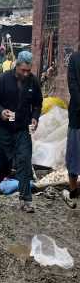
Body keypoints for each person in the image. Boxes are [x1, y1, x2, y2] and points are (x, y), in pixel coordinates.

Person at [0, 51, 43, 212]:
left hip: (22, 129)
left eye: (28, 70)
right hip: (4, 129)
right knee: (0, 163)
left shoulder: (33, 82)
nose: (25, 74)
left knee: (24, 161)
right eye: (23, 70)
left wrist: (35, 117)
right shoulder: (4, 79)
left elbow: (38, 103)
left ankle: (25, 200)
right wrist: (1, 112)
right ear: (16, 66)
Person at [63, 48, 80, 208]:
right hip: (77, 115)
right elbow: (73, 86)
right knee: (74, 153)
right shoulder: (75, 59)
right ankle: (73, 188)